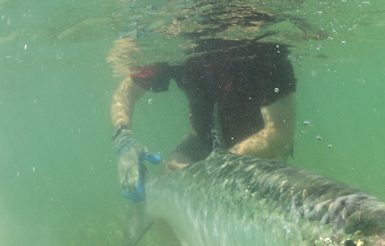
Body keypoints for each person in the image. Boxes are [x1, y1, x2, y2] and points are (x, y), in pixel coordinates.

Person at [111, 37, 297, 200]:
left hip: (259, 150)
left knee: (261, 208)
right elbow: (127, 91)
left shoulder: (264, 52)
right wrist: (123, 138)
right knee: (165, 188)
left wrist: (213, 167)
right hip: (203, 139)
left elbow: (279, 134)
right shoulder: (177, 45)